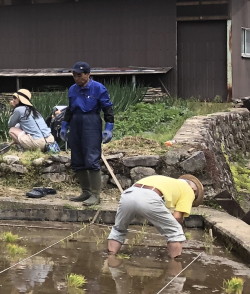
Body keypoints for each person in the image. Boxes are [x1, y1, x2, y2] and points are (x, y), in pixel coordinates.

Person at [109, 174, 203, 261]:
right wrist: (179, 234)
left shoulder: (166, 180)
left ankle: (111, 257)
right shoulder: (189, 190)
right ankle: (176, 267)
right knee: (175, 232)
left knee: (119, 229)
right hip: (150, 197)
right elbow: (177, 217)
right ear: (194, 190)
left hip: (128, 194)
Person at [61, 61, 114, 207]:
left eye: (79, 75)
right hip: (76, 121)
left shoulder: (98, 88)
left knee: (91, 158)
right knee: (77, 158)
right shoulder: (72, 89)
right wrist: (65, 126)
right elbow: (70, 109)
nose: (76, 78)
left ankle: (96, 194)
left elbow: (107, 108)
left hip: (91, 121)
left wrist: (109, 127)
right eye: (74, 75)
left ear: (88, 74)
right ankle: (85, 191)